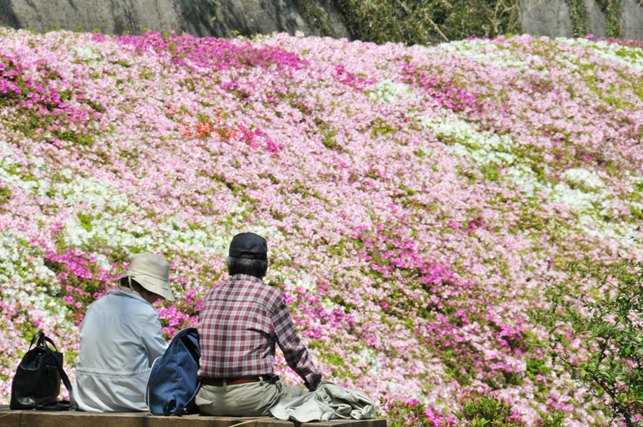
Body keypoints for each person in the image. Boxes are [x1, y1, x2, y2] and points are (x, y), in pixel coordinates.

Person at [196, 232, 322, 416]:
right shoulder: (270, 297)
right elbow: (293, 351)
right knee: (306, 398)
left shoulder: (210, 296)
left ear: (229, 266)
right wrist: (316, 384)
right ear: (264, 268)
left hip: (208, 398)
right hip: (251, 399)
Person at [71, 252, 174, 412]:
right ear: (151, 290)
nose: (158, 299)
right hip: (127, 400)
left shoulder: (96, 306)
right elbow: (161, 359)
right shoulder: (145, 312)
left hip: (88, 399)